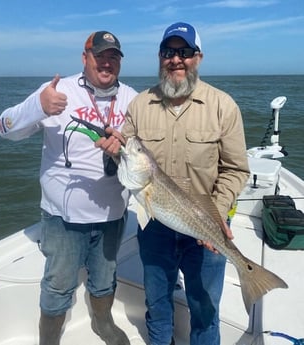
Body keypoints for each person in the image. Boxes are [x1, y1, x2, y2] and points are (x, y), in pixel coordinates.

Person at [97, 22, 250, 345]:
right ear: (160, 57)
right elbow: (126, 158)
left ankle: (250, 277)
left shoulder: (224, 106)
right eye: (169, 52)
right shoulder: (139, 105)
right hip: (155, 227)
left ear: (199, 57)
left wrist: (217, 213)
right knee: (157, 305)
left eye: (185, 52)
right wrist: (113, 150)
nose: (176, 60)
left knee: (205, 312)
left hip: (207, 228)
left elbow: (236, 170)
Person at [0, 30, 137, 345]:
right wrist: (37, 106)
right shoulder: (57, 91)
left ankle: (102, 323)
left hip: (113, 215)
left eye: (113, 57)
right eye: (99, 55)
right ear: (84, 57)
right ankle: (49, 339)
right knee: (58, 286)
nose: (106, 62)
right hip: (63, 218)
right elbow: (4, 128)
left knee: (104, 280)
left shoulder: (132, 99)